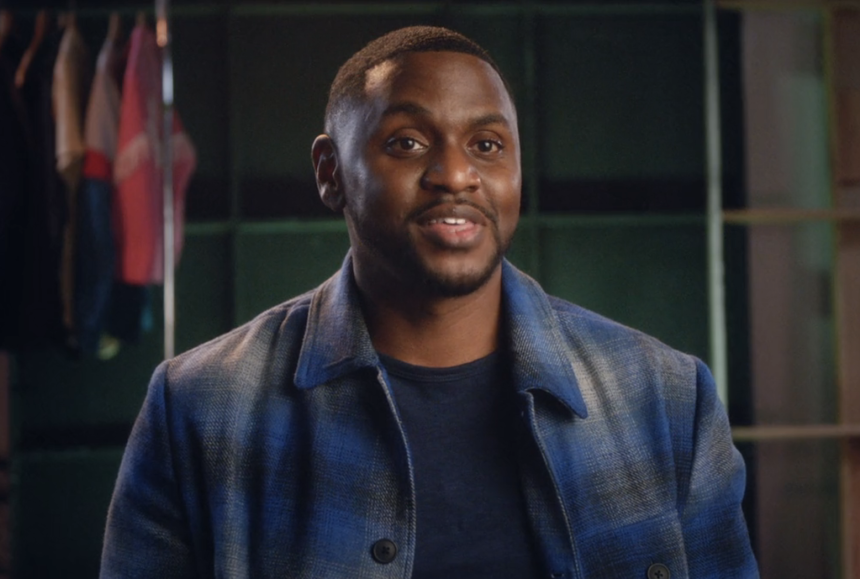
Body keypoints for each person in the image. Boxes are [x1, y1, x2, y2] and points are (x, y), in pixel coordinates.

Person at [100, 26, 758, 578]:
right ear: (331, 173)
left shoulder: (666, 399)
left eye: (487, 145)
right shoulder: (202, 408)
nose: (455, 173)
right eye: (408, 142)